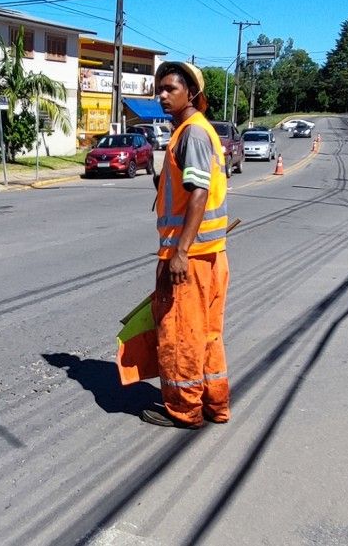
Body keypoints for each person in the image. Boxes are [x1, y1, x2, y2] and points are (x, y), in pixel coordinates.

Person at [141, 61, 230, 429]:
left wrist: (178, 252)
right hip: (211, 256)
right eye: (158, 89)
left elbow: (199, 192)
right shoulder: (194, 132)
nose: (161, 95)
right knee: (207, 333)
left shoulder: (192, 133)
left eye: (170, 89)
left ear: (190, 92)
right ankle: (215, 404)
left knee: (180, 334)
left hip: (189, 258)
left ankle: (184, 409)